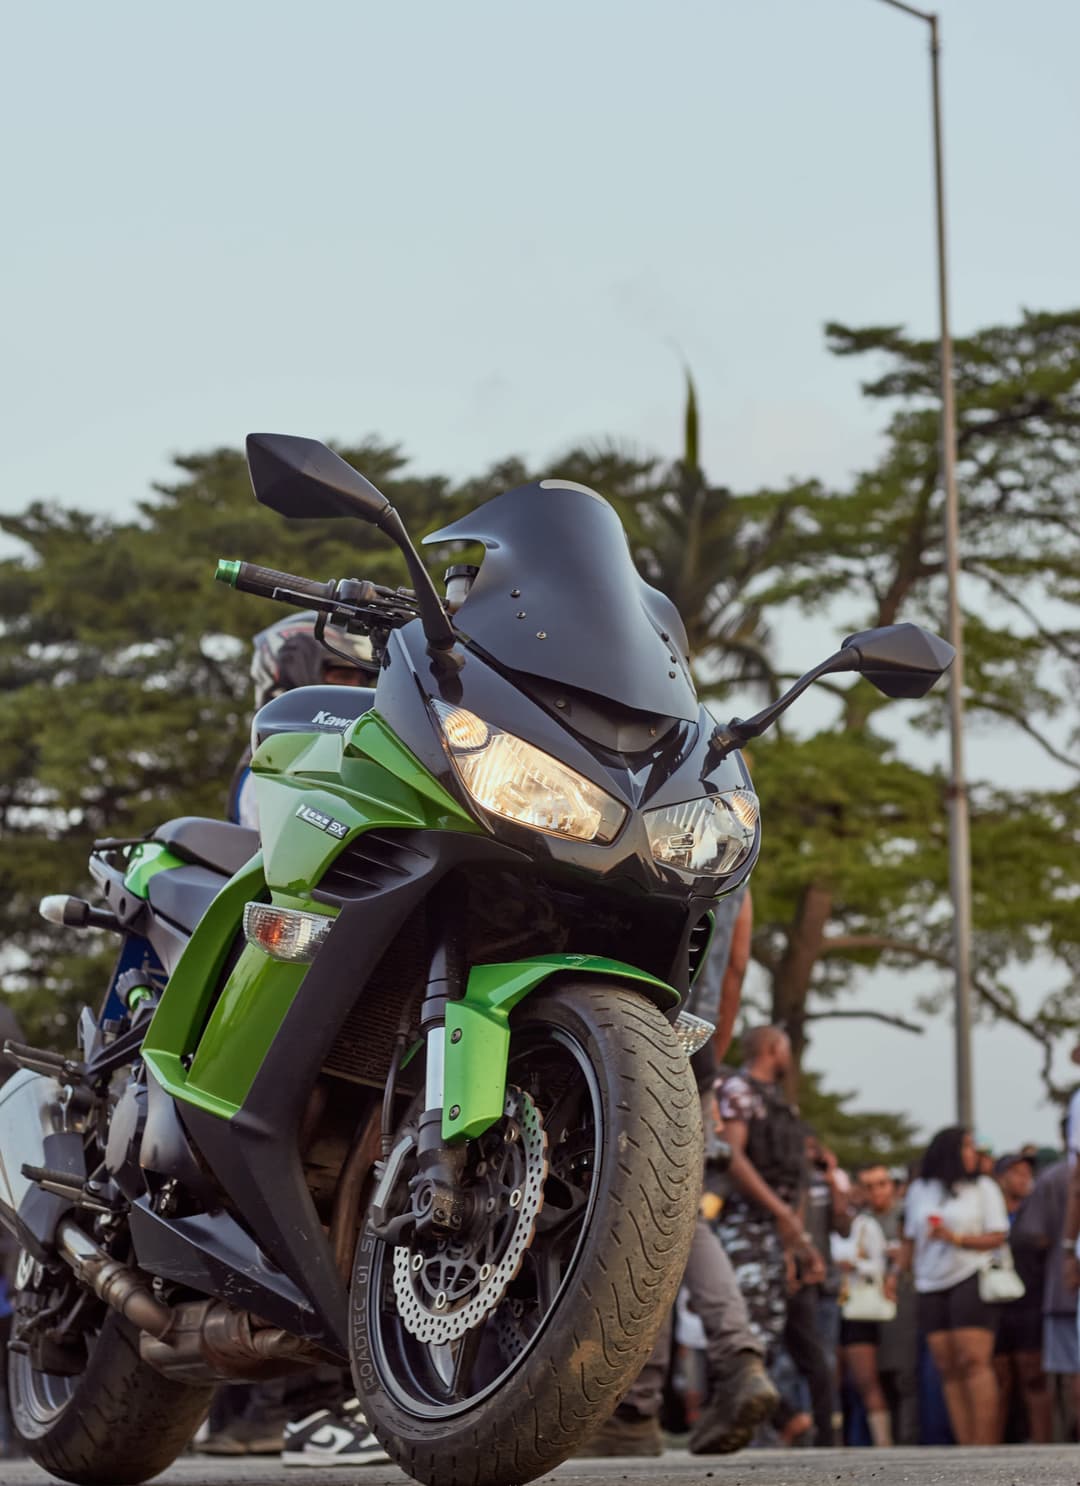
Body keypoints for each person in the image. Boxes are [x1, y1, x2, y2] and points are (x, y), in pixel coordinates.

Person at [579, 889, 779, 1458]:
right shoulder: (737, 830)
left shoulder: (654, 806)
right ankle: (724, 1362)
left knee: (636, 1211)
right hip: (693, 1035)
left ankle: (637, 1402)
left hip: (624, 1019)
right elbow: (736, 961)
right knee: (671, 1211)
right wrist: (710, 1046)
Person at [715, 1027, 814, 1421]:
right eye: (786, 1049)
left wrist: (795, 1238)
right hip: (747, 1226)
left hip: (777, 1231)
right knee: (750, 1327)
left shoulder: (782, 1104)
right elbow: (735, 1159)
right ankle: (740, 1420)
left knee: (771, 1329)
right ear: (775, 1049)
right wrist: (782, 1213)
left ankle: (759, 1425)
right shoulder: (738, 1091)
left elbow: (798, 1175)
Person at [898, 1126, 1008, 1447]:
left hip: (969, 1274)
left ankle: (983, 1445)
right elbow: (908, 1237)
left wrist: (956, 1238)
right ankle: (965, 1446)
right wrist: (896, 1274)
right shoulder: (920, 1188)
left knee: (973, 1362)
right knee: (947, 1367)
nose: (975, 1154)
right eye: (969, 1147)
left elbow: (998, 1235)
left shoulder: (984, 1187)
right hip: (929, 1280)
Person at [228, 611, 375, 828]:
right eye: (342, 677)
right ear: (290, 671)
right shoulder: (267, 767)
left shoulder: (341, 759)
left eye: (361, 681)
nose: (354, 690)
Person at [785, 1133, 852, 1447]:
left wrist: (833, 1179)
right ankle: (805, 1421)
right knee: (807, 1356)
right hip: (803, 1279)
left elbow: (844, 1226)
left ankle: (826, 1422)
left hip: (827, 1281)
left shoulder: (827, 1184)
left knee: (826, 1357)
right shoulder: (791, 1182)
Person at [1013, 1154, 1079, 1434]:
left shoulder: (1052, 1177)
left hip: (1062, 1287)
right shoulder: (1059, 1176)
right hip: (1065, 1285)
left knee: (1072, 1373)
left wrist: (1063, 1251)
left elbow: (1035, 1235)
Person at [992, 1153, 1050, 1442]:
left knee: (1033, 1376)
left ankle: (1043, 1443)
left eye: (1028, 1171)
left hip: (1030, 1300)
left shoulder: (1037, 1209)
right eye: (1016, 1171)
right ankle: (990, 1447)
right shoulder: (988, 1212)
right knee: (999, 1379)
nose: (1024, 1177)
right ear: (1000, 1177)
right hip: (995, 1303)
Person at [863, 1165, 919, 1446]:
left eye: (882, 1184)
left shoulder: (905, 1217)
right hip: (869, 1306)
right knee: (880, 1377)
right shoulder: (862, 1222)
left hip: (903, 1304)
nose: (877, 1191)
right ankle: (888, 1444)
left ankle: (908, 1441)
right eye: (870, 1186)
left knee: (905, 1376)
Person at [839, 1169, 893, 1447]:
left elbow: (879, 1266)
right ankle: (836, 1441)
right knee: (832, 1381)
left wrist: (855, 1265)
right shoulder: (821, 1225)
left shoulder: (865, 1225)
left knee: (866, 1380)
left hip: (858, 1308)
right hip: (831, 1308)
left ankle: (884, 1444)